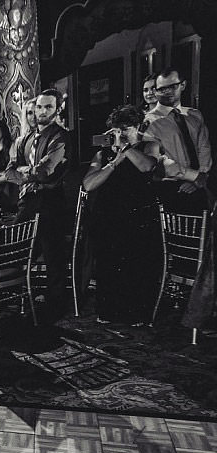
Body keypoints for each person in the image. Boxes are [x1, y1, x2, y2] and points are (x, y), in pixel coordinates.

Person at [82, 105, 163, 326]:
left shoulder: (150, 146)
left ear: (139, 127)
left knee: (138, 266)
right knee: (108, 265)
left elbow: (147, 167)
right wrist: (113, 162)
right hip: (109, 217)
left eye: (125, 129)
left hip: (139, 218)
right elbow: (89, 184)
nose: (120, 134)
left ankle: (136, 313)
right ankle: (109, 311)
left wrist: (125, 149)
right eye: (116, 130)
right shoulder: (103, 154)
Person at [12, 88, 74, 321]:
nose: (41, 111)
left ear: (58, 110)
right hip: (27, 200)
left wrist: (24, 171)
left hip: (51, 201)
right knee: (17, 247)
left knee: (52, 256)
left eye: (48, 107)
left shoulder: (60, 136)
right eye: (39, 106)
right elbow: (10, 171)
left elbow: (46, 171)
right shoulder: (27, 138)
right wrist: (26, 172)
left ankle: (55, 307)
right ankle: (23, 299)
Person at [145, 68, 211, 213]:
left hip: (200, 184)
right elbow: (158, 160)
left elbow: (204, 147)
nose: (167, 92)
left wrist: (201, 175)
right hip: (171, 188)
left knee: (203, 232)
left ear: (183, 85)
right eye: (161, 89)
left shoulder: (194, 115)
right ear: (156, 91)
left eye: (172, 87)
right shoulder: (149, 121)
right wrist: (193, 177)